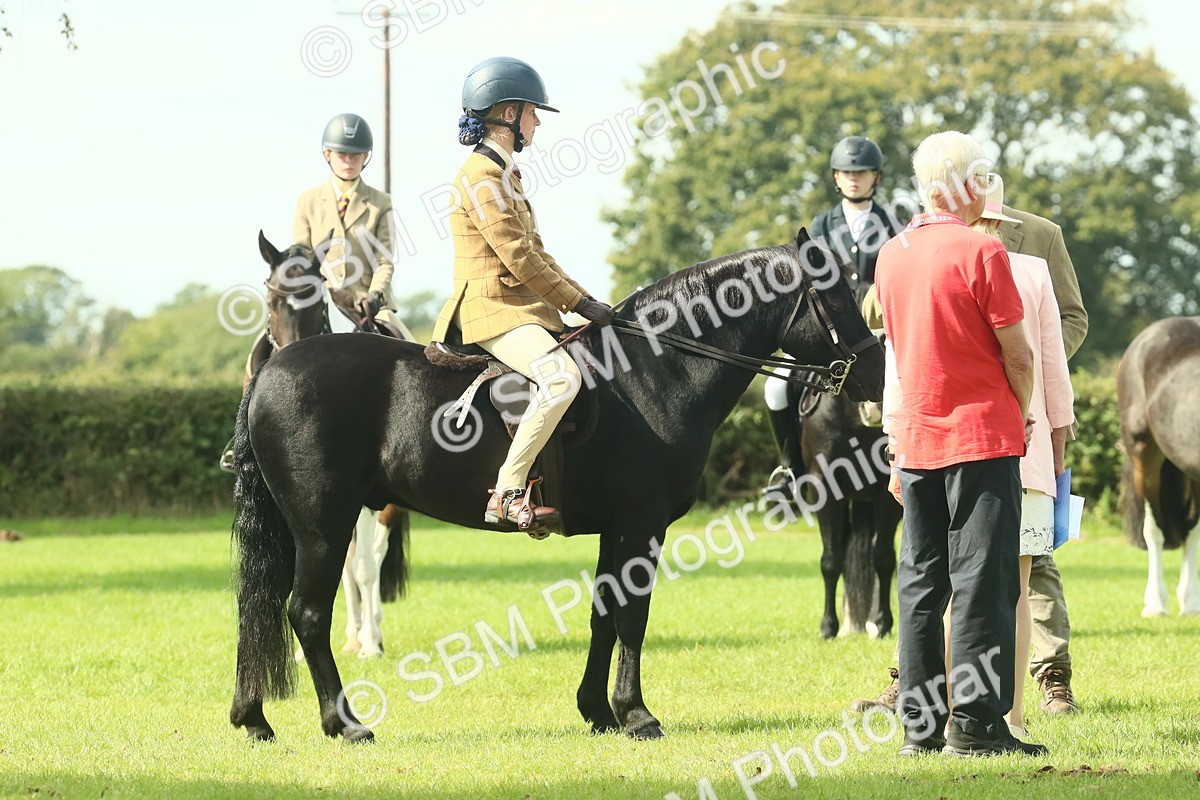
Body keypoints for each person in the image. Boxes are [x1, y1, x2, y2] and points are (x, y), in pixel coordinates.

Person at [850, 184, 1088, 719]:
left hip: (969, 432)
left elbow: (1052, 349)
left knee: (946, 575)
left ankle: (1018, 687)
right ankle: (988, 710)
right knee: (1001, 577)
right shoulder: (915, 252)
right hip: (1001, 431)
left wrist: (1046, 423)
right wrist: (1044, 425)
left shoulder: (1032, 250)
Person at [875, 131, 1044, 757]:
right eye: (984, 176)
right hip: (980, 435)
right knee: (984, 578)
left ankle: (919, 726)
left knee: (920, 580)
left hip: (916, 439)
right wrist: (1021, 414)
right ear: (967, 184)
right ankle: (974, 723)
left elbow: (900, 349)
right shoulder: (982, 252)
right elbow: (1018, 355)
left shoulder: (891, 255)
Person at [429, 56, 613, 534]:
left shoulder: (506, 175)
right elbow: (519, 259)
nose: (536, 123)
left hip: (522, 309)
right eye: (533, 113)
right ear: (508, 114)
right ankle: (508, 490)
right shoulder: (481, 178)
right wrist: (578, 305)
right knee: (560, 379)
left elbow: (539, 253)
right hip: (493, 310)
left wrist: (586, 300)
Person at [938, 173, 1074, 742]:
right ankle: (1011, 717)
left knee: (954, 588)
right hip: (1030, 444)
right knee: (1015, 588)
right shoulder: (1030, 270)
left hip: (954, 443)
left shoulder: (935, 261)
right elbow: (1050, 374)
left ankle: (949, 714)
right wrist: (1057, 445)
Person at [219, 113, 410, 472]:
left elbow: (385, 261)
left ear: (365, 157)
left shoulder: (379, 203)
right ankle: (242, 440)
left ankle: (412, 430)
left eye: (356, 154)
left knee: (405, 344)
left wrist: (375, 294)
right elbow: (299, 254)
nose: (349, 160)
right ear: (327, 155)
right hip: (317, 295)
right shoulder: (308, 200)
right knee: (261, 350)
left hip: (364, 301)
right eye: (342, 154)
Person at [762, 135, 898, 498]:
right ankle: (789, 469)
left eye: (862, 172)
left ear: (876, 177)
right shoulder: (822, 225)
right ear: (836, 178)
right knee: (775, 385)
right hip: (831, 330)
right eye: (846, 172)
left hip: (877, 327)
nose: (854, 178)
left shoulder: (893, 224)